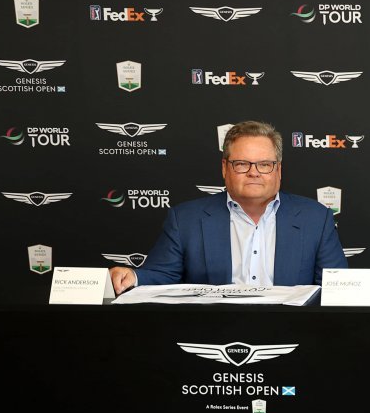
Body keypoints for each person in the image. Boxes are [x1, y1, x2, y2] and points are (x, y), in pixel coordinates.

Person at [108, 120, 347, 295]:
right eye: (242, 164)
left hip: (293, 332)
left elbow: (336, 289)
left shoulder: (316, 219)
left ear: (279, 170)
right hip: (213, 330)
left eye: (265, 164)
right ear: (225, 168)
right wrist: (133, 276)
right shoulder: (185, 219)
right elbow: (162, 276)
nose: (254, 172)